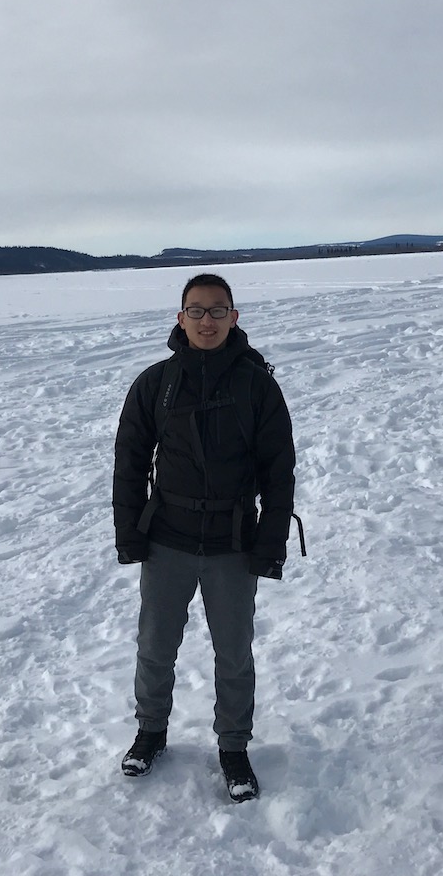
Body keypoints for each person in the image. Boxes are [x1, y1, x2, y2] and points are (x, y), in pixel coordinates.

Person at [112, 272, 296, 802]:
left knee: (234, 652)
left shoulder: (257, 384)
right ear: (180, 318)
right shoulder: (155, 383)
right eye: (197, 310)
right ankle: (150, 732)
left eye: (218, 310)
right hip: (167, 537)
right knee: (154, 646)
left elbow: (278, 469)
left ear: (234, 317)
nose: (207, 320)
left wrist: (270, 541)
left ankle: (233, 747)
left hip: (231, 544)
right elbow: (129, 462)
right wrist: (129, 532)